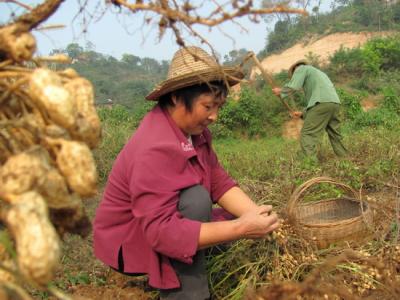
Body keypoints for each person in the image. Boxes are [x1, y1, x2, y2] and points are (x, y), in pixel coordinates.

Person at [93, 46, 280, 300]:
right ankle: (187, 293)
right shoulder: (153, 147)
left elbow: (218, 182)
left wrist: (256, 216)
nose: (214, 116)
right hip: (135, 239)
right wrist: (241, 228)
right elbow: (161, 232)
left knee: (221, 213)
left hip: (161, 223)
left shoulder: (196, 134)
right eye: (207, 106)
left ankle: (196, 253)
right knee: (196, 200)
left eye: (219, 106)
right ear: (175, 98)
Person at [272, 60, 347, 159]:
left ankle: (310, 163)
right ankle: (345, 157)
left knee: (307, 134)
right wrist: (302, 114)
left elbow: (294, 86)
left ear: (295, 69)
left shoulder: (301, 69)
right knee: (335, 134)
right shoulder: (320, 74)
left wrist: (281, 91)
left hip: (322, 104)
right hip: (334, 104)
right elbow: (317, 105)